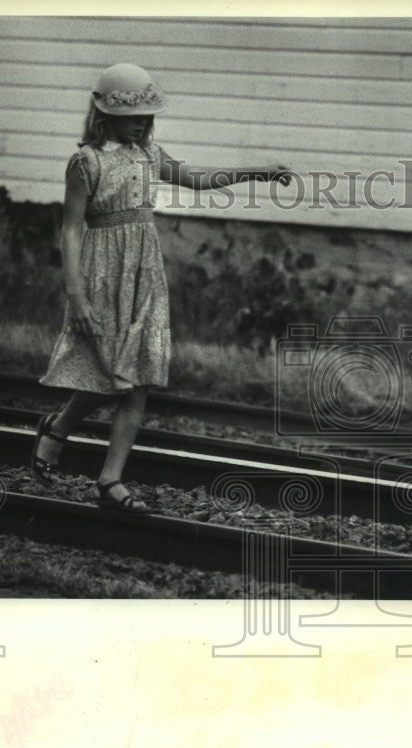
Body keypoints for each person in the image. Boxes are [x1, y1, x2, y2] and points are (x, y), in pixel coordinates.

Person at [32, 63, 291, 512]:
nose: (144, 122)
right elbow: (71, 229)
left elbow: (199, 178)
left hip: (145, 272)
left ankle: (110, 479)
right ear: (106, 113)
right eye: (135, 114)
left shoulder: (151, 156)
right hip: (103, 273)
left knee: (139, 379)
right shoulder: (86, 162)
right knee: (107, 370)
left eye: (149, 115)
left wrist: (257, 172)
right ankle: (57, 427)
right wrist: (75, 293)